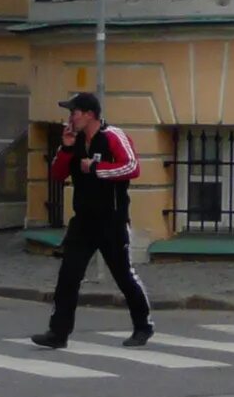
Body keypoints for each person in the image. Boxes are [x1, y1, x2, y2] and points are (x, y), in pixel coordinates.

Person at [35, 91, 153, 348]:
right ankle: (58, 333)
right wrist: (66, 148)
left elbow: (132, 167)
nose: (70, 118)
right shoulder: (74, 141)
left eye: (73, 112)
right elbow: (57, 174)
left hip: (112, 220)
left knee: (124, 275)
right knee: (68, 275)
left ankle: (143, 325)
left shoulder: (113, 137)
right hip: (83, 221)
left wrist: (98, 169)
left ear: (89, 115)